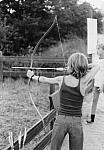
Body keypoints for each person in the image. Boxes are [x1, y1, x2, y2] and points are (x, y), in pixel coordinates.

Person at [27, 52, 100, 150]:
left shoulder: (61, 79)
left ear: (70, 65)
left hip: (61, 120)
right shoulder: (84, 81)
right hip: (76, 122)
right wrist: (83, 66)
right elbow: (98, 66)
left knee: (54, 148)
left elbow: (44, 79)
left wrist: (32, 76)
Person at [87, 44, 104, 124]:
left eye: (98, 49)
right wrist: (81, 65)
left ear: (103, 50)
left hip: (102, 85)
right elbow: (92, 66)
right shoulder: (98, 60)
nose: (97, 51)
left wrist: (102, 86)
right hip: (97, 84)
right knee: (94, 101)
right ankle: (92, 118)